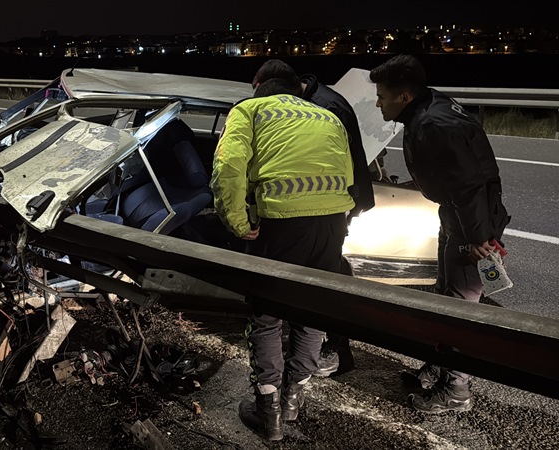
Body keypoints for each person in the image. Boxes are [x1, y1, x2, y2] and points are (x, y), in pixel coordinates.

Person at [211, 77, 355, 440]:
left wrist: (237, 222)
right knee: (311, 312)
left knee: (267, 316)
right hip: (332, 224)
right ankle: (293, 399)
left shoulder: (249, 110)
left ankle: (268, 410)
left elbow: (228, 166)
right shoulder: (327, 116)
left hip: (281, 225)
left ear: (258, 85)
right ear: (297, 89)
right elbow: (349, 172)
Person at [369, 54, 510, 413]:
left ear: (403, 96)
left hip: (469, 219)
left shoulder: (433, 123)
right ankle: (441, 364)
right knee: (445, 296)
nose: (377, 103)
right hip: (458, 214)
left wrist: (479, 238)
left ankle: (457, 390)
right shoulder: (432, 105)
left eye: (382, 96)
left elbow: (468, 186)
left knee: (459, 307)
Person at [252, 59, 375, 377]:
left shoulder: (325, 106)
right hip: (331, 203)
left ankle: (334, 348)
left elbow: (340, 159)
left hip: (331, 203)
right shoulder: (317, 99)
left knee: (321, 278)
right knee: (322, 272)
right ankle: (318, 348)